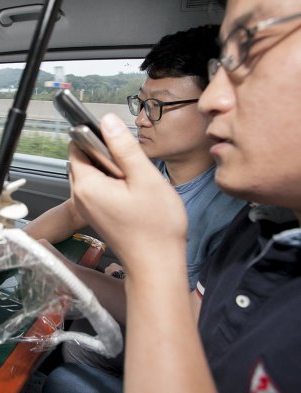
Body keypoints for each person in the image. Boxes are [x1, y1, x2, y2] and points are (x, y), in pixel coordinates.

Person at [54, 0, 301, 391]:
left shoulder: (232, 209)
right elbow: (191, 319)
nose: (213, 100)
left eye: (252, 48)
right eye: (224, 67)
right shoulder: (257, 224)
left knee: (69, 364)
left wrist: (143, 262)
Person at [0, 24, 245, 291]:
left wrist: (75, 275)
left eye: (159, 105)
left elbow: (196, 325)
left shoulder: (234, 216)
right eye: (141, 103)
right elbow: (75, 212)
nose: (140, 120)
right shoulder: (147, 165)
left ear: (216, 106)